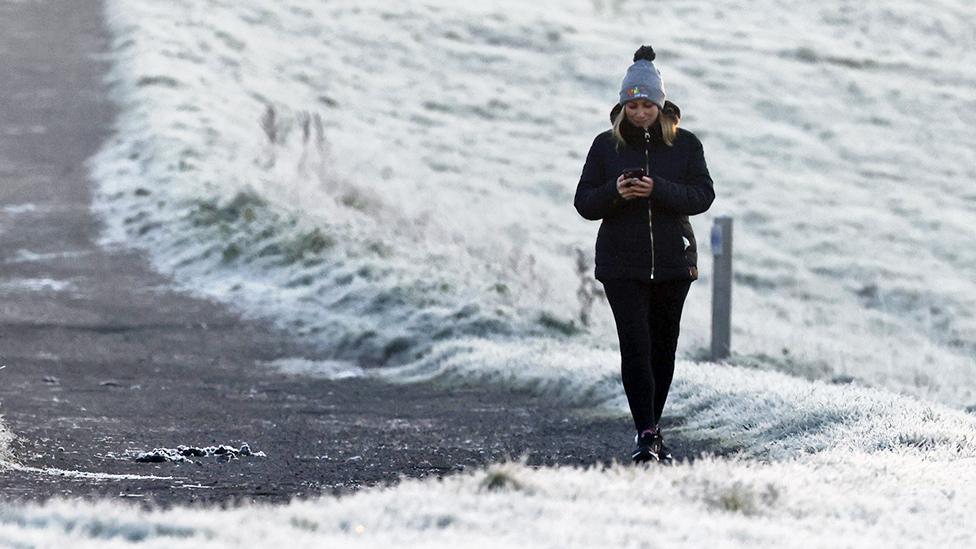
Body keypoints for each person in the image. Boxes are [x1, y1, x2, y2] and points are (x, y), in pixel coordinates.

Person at [574, 45, 714, 464]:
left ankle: (653, 424)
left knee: (662, 348)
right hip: (621, 265)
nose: (639, 112)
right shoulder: (605, 147)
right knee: (635, 345)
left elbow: (703, 196)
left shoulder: (686, 146)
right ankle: (646, 432)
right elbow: (584, 203)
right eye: (632, 105)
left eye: (646, 104)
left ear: (660, 103)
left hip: (674, 263)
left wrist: (658, 189)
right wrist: (616, 193)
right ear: (622, 106)